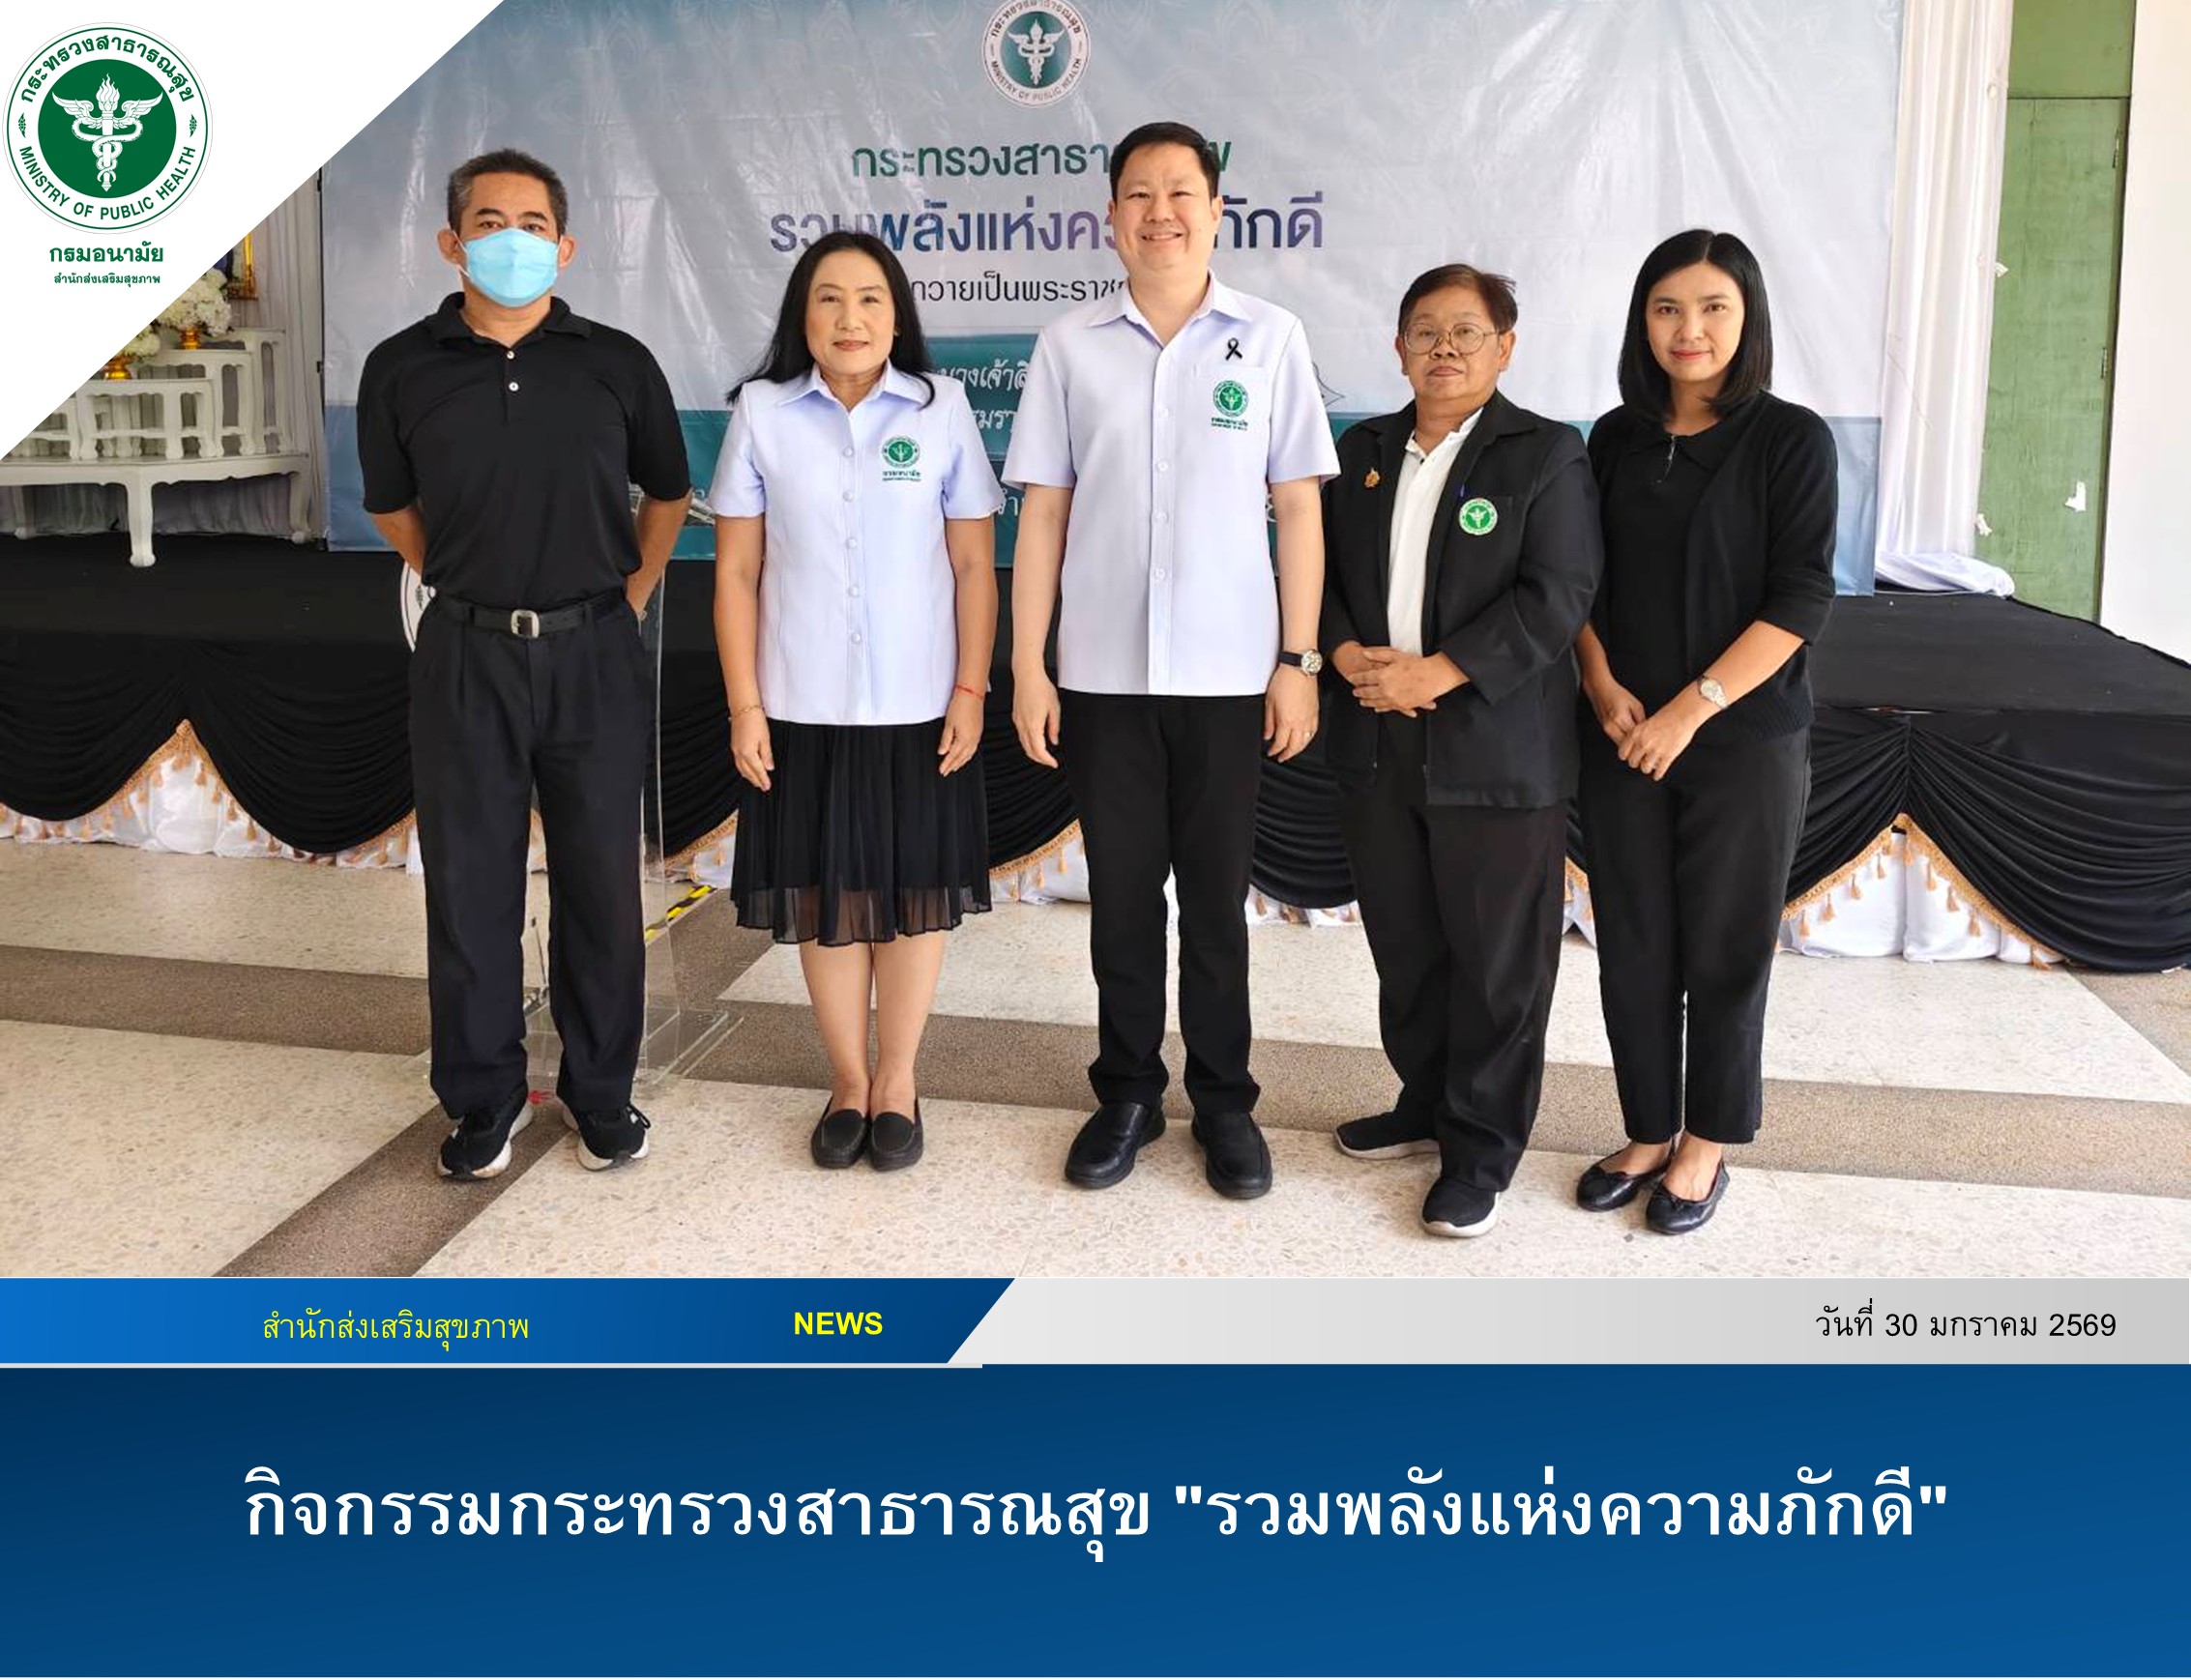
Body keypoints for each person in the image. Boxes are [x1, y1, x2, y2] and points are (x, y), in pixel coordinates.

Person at [1004, 121, 1338, 1201]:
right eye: (1139, 194)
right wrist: (1028, 665)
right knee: (1122, 902)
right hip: (1101, 676)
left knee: (1216, 903)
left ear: (1216, 210)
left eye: (1181, 192)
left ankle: (1226, 1104)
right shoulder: (1069, 345)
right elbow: (1043, 515)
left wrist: (1298, 659)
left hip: (1230, 678)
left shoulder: (1270, 337)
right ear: (1111, 217)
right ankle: (1128, 1095)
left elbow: (1298, 508)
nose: (1161, 213)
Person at [358, 148, 692, 1180]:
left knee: (600, 886)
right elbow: (390, 507)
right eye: (490, 223)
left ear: (567, 246)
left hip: (593, 652)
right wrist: (464, 583)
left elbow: (668, 492)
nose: (514, 241)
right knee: (470, 888)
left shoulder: (617, 362)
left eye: (534, 225)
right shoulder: (400, 367)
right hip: (466, 656)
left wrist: (627, 599)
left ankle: (602, 1094)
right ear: (452, 242)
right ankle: (483, 1099)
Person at [1319, 264, 1602, 1236]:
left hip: (1496, 754)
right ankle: (1424, 1103)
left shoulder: (1546, 453)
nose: (1443, 348)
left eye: (1466, 331)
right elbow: (1317, 573)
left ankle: (1480, 1150)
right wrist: (1342, 652)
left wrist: (1438, 673)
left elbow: (1558, 596)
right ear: (1398, 347)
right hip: (1376, 740)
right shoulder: (1362, 450)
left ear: (1504, 348)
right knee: (1407, 946)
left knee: (1496, 965)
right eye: (1425, 331)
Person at [711, 232, 1001, 1173]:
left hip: (920, 702)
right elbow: (737, 571)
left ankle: (898, 1082)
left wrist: (971, 688)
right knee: (824, 894)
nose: (850, 318)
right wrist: (745, 706)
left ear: (896, 314)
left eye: (870, 298)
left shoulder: (940, 407)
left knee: (913, 896)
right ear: (803, 316)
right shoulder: (762, 412)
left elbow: (972, 565)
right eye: (829, 299)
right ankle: (846, 1080)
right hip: (800, 702)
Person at [1572, 229, 1837, 1233]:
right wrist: (1601, 686)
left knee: (1725, 948)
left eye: (1713, 307)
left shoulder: (1790, 439)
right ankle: (1647, 1128)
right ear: (1642, 322)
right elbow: (1576, 581)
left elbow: (1800, 599)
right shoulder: (1613, 438)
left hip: (1740, 740)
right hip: (1623, 735)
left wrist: (1690, 710)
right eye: (1667, 308)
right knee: (1633, 940)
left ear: (1747, 317)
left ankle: (1705, 1143)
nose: (1690, 328)